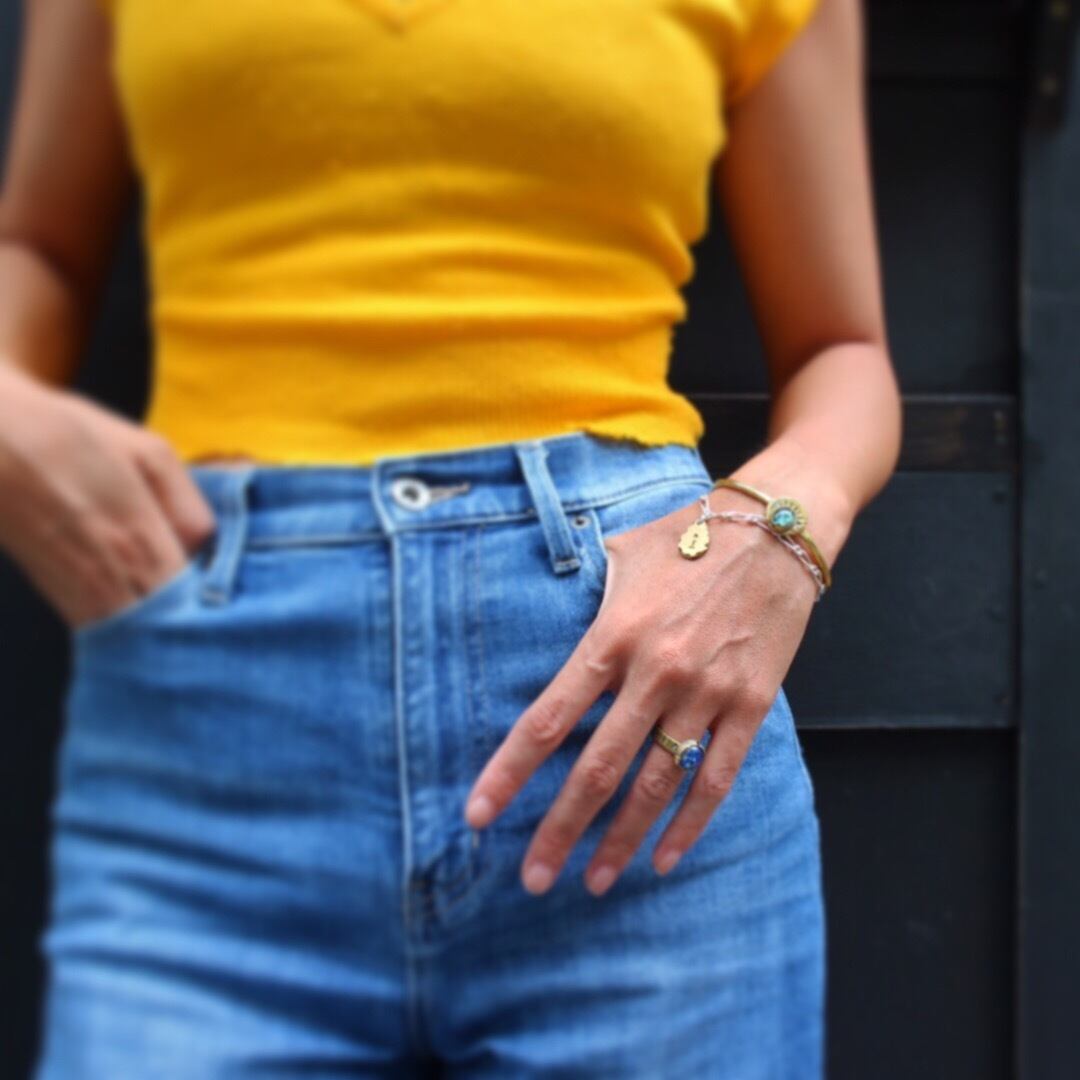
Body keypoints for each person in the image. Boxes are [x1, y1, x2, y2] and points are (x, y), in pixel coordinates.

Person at [1, 0, 901, 1075]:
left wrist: (776, 532)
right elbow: (36, 249)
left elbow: (841, 349)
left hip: (636, 712)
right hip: (205, 753)